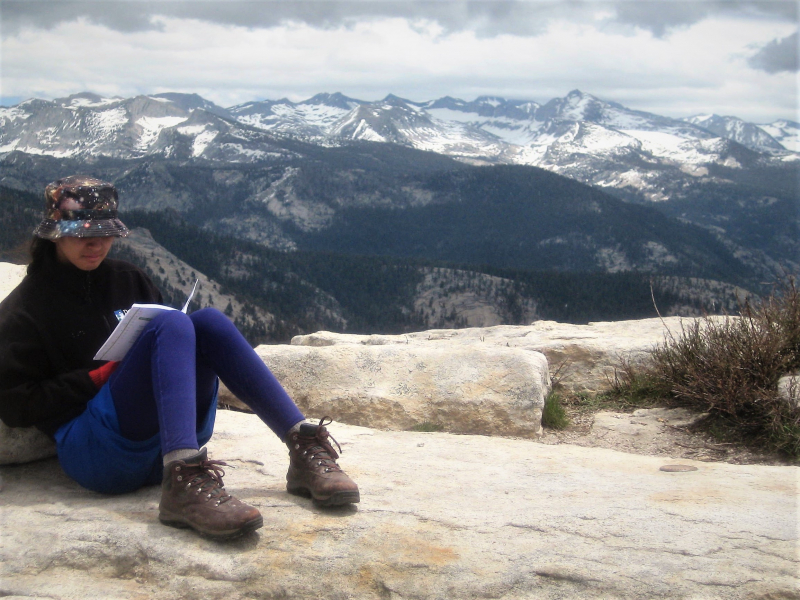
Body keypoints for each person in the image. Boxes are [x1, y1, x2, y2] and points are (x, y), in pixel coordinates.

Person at [0, 175, 359, 540]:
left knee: (207, 322)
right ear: (54, 234)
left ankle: (303, 445)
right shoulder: (24, 309)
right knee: (171, 323)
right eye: (80, 233)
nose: (96, 243)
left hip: (167, 438)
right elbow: (14, 406)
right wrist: (98, 377)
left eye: (106, 232)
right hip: (98, 452)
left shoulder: (128, 279)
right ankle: (183, 483)